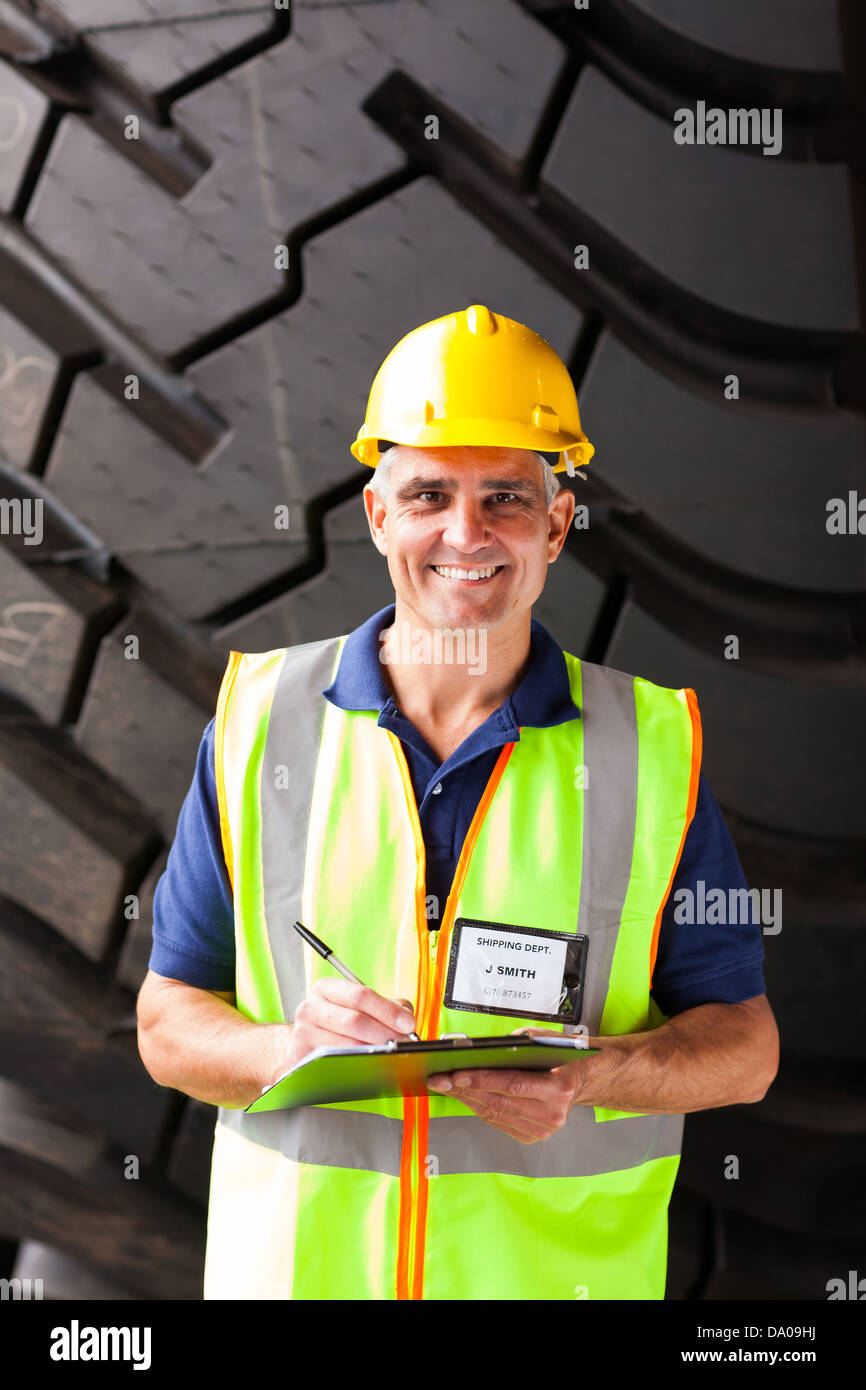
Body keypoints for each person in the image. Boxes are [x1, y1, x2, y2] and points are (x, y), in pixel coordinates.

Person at [137, 305, 779, 1300]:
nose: (464, 533)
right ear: (377, 515)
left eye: (507, 498)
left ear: (558, 524)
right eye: (428, 492)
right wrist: (288, 1048)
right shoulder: (259, 729)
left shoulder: (653, 753)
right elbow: (167, 1024)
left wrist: (589, 1076)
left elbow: (742, 1050)